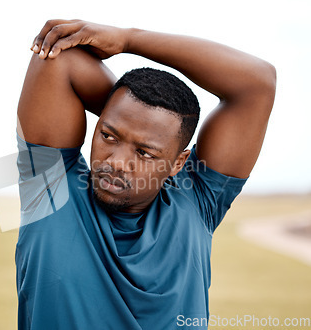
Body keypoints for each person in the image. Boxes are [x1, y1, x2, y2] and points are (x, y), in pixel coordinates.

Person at [15, 19, 276, 329]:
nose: (118, 162)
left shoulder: (197, 202)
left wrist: (129, 39)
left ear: (178, 163)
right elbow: (61, 57)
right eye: (109, 136)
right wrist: (135, 114)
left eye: (145, 153)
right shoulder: (51, 186)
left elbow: (258, 82)